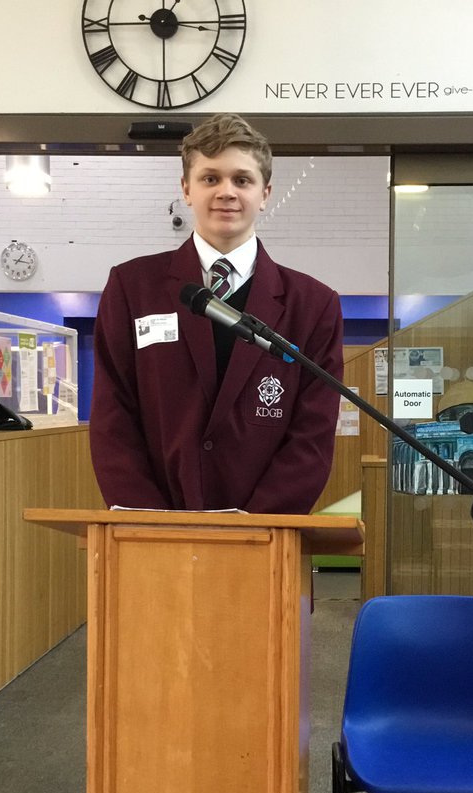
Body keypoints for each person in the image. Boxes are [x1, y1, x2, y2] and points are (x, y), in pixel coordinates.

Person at [89, 113, 344, 514]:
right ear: (186, 189)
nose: (227, 192)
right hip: (154, 531)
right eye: (211, 178)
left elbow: (312, 435)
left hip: (265, 534)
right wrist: (150, 520)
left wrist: (254, 526)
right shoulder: (132, 288)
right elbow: (112, 416)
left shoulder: (313, 305)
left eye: (242, 180)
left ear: (265, 193)